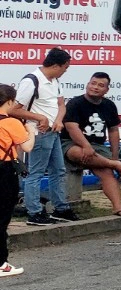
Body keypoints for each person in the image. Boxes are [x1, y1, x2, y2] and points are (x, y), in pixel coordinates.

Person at [13, 48, 76, 225]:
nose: (65, 71)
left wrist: (58, 120)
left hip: (53, 131)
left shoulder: (55, 80)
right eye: (65, 67)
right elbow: (15, 109)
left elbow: (61, 104)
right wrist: (40, 117)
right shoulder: (31, 81)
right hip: (38, 132)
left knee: (58, 170)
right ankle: (34, 211)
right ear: (56, 65)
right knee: (36, 172)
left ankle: (60, 208)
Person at [61, 72, 121, 217]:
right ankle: (115, 166)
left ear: (107, 90)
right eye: (93, 83)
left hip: (98, 146)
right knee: (80, 153)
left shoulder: (109, 105)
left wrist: (115, 157)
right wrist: (86, 146)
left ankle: (118, 207)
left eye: (100, 85)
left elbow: (113, 131)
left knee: (107, 173)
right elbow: (71, 127)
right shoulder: (75, 103)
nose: (95, 87)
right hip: (72, 143)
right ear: (87, 84)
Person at [1, 83, 36, 279]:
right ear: (8, 102)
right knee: (2, 217)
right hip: (4, 171)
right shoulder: (11, 123)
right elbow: (27, 147)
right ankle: (1, 263)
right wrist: (30, 131)